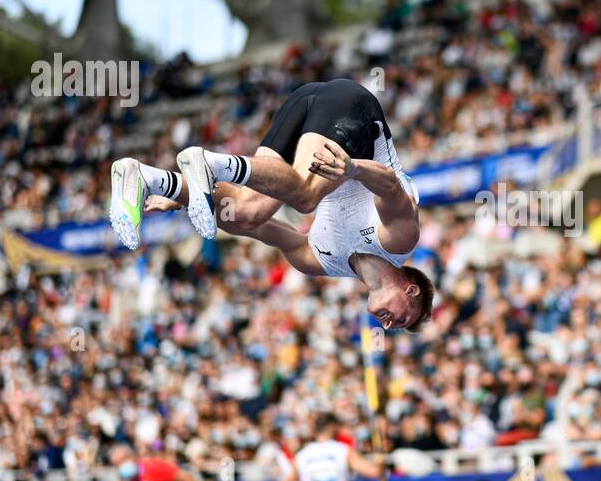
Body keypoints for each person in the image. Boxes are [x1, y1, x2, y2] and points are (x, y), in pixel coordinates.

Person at [111, 78, 434, 331]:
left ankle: (151, 178)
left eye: (390, 326)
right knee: (306, 196)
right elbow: (390, 184)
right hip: (355, 110)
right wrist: (353, 168)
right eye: (401, 320)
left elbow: (262, 230)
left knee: (248, 213)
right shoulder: (399, 242)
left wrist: (186, 197)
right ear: (412, 291)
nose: (387, 324)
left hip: (305, 109)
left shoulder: (319, 263)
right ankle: (212, 164)